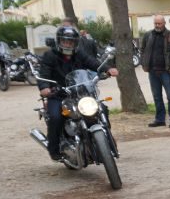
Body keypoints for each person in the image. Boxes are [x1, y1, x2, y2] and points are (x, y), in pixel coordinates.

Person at [39, 26, 120, 160]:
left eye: (70, 42)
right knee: (55, 117)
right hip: (58, 94)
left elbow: (93, 62)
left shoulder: (79, 54)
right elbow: (44, 72)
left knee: (101, 109)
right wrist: (44, 87)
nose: (67, 44)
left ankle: (106, 141)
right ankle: (54, 150)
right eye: (65, 41)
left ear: (75, 43)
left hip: (79, 92)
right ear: (59, 41)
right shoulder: (50, 56)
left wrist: (107, 69)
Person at [140, 15, 170, 128]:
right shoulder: (148, 35)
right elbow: (142, 50)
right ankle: (160, 119)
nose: (157, 25)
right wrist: (143, 63)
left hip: (166, 71)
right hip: (152, 71)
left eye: (159, 23)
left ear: (164, 23)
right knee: (157, 96)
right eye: (155, 23)